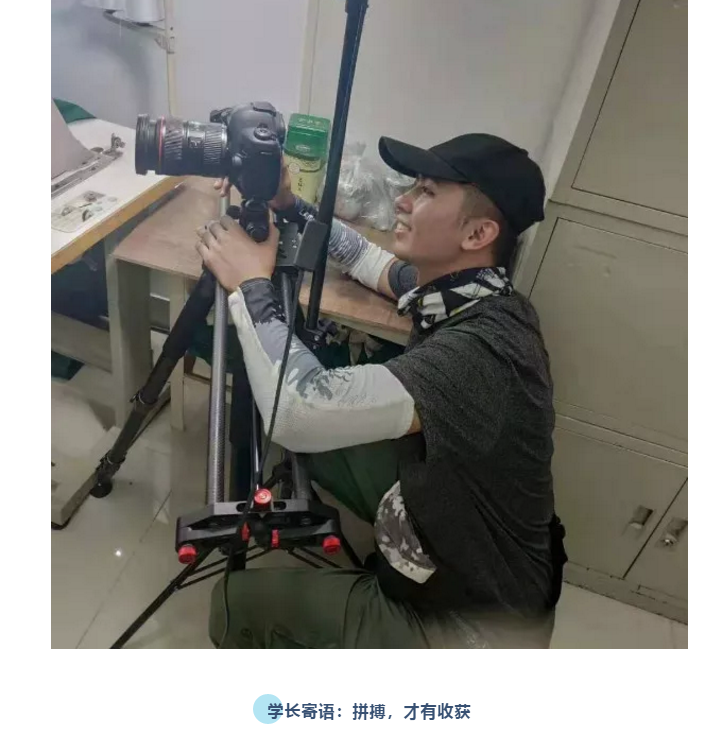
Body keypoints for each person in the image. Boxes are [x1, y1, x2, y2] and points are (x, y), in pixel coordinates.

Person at [196, 132, 565, 649]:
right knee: (321, 448)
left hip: (470, 628)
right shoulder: (471, 292)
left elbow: (298, 411)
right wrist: (287, 203)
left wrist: (249, 285)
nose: (403, 200)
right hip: (455, 530)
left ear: (479, 232)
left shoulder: (481, 355)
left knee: (231, 603)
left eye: (427, 192)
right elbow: (373, 263)